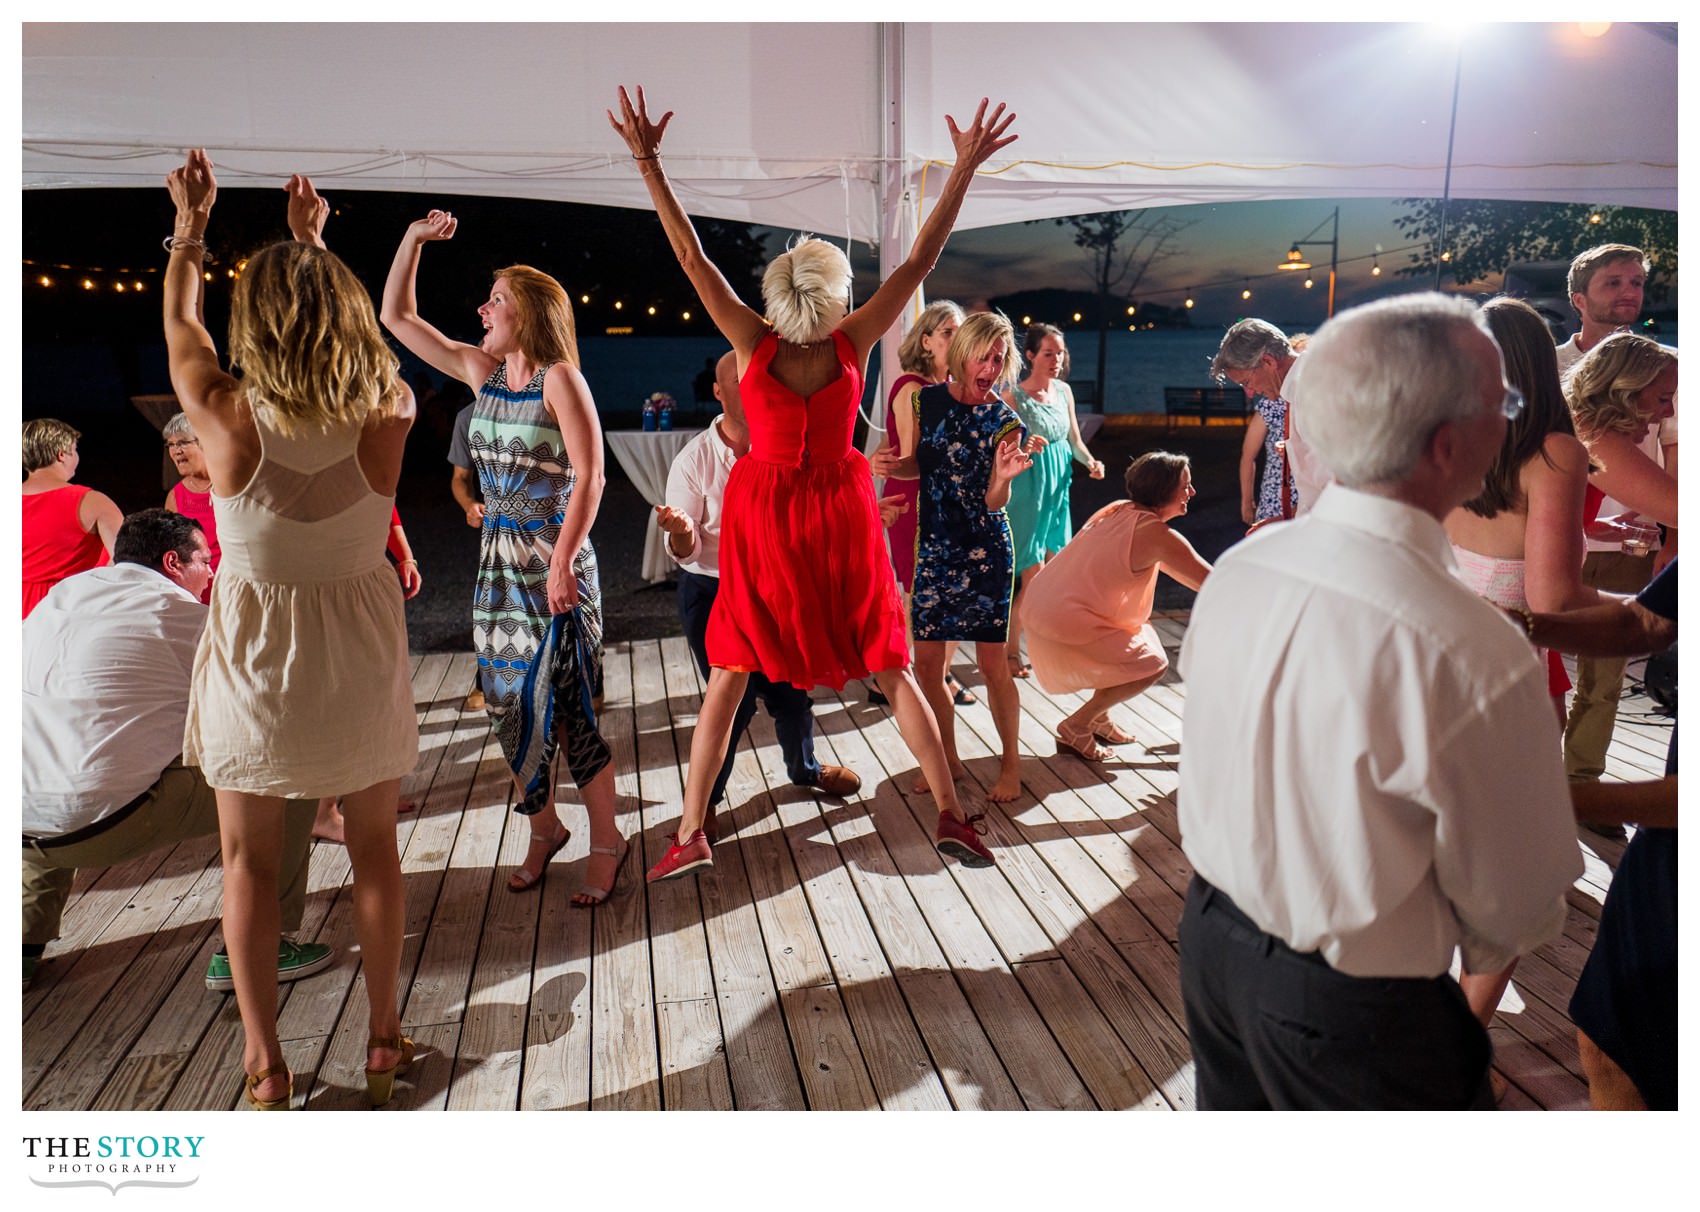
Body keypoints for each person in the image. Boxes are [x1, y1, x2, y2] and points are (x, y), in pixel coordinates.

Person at [1175, 293, 1582, 1110]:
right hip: (1352, 1008)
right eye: (1501, 403)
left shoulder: (1250, 564)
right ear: (1446, 445)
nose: (1512, 418)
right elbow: (1519, 904)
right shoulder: (1471, 648)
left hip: (1209, 943)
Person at [609, 85, 1017, 879]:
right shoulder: (853, 341)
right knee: (889, 664)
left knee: (731, 669)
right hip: (837, 507)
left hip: (762, 509)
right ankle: (951, 815)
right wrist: (962, 167)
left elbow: (690, 256)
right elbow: (920, 262)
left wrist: (648, 162)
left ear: (775, 291)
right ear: (834, 295)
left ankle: (693, 829)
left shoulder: (750, 338)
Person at [164, 157, 419, 1110]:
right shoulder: (386, 409)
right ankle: (384, 1040)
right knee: (376, 851)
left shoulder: (224, 417)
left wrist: (191, 227)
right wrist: (315, 249)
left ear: (254, 324)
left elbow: (183, 328)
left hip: (257, 661)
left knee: (249, 866)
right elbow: (370, 355)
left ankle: (266, 1065)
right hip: (357, 647)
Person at [380, 193, 624, 907]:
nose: (482, 312)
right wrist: (411, 239)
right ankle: (544, 828)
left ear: (530, 315)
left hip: (554, 561)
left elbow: (592, 475)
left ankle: (608, 839)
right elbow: (396, 318)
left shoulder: (560, 380)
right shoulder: (481, 377)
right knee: (504, 706)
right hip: (495, 568)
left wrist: (560, 562)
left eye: (495, 302)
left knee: (571, 706)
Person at [22, 510, 329, 994]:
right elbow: (269, 694)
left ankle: (21, 949)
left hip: (19, 828)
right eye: (205, 560)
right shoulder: (181, 616)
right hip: (102, 822)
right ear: (173, 562)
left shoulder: (62, 596)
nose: (211, 572)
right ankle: (260, 946)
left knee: (51, 761)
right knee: (289, 776)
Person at [1441, 296, 1600, 1027]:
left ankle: (1421, 1023)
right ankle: (1456, 1042)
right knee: (1517, 874)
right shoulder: (1554, 453)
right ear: (1541, 364)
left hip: (1423, 661)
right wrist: (1648, 603)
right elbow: (1553, 595)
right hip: (1502, 674)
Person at [656, 351, 862, 838]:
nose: (751, 390)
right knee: (732, 703)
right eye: (739, 382)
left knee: (792, 694)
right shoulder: (695, 459)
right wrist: (683, 530)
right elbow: (682, 552)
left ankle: (805, 770)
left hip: (775, 587)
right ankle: (704, 805)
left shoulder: (789, 445)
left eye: (758, 381)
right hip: (714, 589)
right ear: (719, 392)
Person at [1525, 560, 1678, 1110]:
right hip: (1664, 848)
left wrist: (1546, 798)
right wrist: (1524, 624)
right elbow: (1644, 623)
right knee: (1609, 1036)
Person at [879, 311, 1044, 804]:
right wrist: (884, 464)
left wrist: (1004, 477)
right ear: (961, 354)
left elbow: (995, 503)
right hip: (935, 547)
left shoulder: (1004, 420)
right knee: (927, 666)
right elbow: (917, 466)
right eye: (983, 355)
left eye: (999, 358)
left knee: (994, 665)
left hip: (986, 551)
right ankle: (947, 759)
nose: (991, 367)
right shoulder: (923, 401)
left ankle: (1010, 766)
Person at [1022, 451, 1210, 761]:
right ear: (1164, 490)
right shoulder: (1159, 535)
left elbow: (1180, 570)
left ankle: (1100, 718)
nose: (1192, 492)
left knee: (1134, 634)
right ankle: (1077, 724)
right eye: (1185, 485)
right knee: (1150, 663)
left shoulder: (1118, 510)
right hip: (1064, 616)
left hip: (1042, 603)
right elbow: (1210, 581)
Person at [1562, 334, 1678, 827]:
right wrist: (1634, 611)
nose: (1666, 411)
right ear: (1626, 391)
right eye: (1660, 398)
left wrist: (1592, 526)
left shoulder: (1575, 426)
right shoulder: (1595, 435)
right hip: (1515, 587)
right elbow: (1682, 509)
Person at [874, 298, 975, 708]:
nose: (956, 338)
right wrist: (875, 467)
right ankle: (920, 679)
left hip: (944, 501)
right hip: (914, 502)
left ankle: (935, 673)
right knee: (926, 595)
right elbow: (910, 460)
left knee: (948, 593)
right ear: (927, 340)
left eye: (960, 332)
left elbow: (886, 445)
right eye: (948, 332)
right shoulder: (913, 388)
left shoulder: (949, 388)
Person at [1002, 322, 1104, 677]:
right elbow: (1001, 448)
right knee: (1033, 574)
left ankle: (1039, 647)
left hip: (1059, 485)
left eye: (1060, 353)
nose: (1056, 360)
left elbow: (1075, 440)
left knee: (1054, 568)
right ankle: (1015, 653)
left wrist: (1090, 461)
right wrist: (1023, 447)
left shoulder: (1063, 391)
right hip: (1030, 487)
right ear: (1030, 356)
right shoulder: (1014, 395)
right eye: (1048, 353)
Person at [22, 418, 122, 617]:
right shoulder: (92, 502)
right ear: (61, 455)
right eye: (74, 450)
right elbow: (126, 562)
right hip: (71, 610)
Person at [446, 396, 486, 713]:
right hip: (498, 524)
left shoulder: (545, 399)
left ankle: (586, 680)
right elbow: (461, 479)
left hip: (546, 518)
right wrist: (469, 504)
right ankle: (487, 681)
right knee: (492, 605)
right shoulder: (469, 416)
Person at [162, 412, 219, 602]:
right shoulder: (175, 497)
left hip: (233, 584)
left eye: (183, 443)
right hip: (197, 591)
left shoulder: (230, 486)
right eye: (171, 444)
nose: (175, 450)